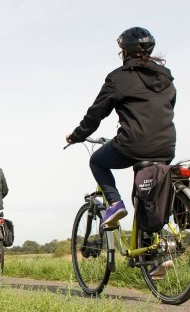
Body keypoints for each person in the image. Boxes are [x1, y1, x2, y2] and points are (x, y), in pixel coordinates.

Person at [65, 27, 176, 230]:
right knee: (147, 193)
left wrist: (76, 136)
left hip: (133, 143)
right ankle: (151, 252)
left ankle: (115, 203)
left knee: (97, 161)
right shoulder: (166, 77)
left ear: (125, 51)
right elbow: (169, 107)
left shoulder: (119, 77)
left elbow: (96, 113)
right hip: (166, 146)